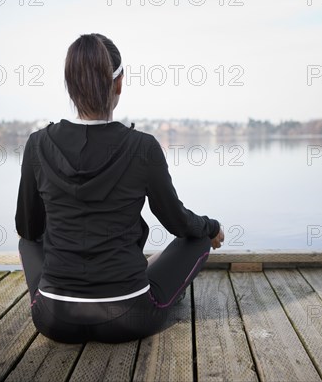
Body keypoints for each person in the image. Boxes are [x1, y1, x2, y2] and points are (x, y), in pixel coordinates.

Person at [15, 33, 224, 344]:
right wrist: (211, 226)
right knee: (199, 239)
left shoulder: (38, 144)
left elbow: (28, 228)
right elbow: (177, 222)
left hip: (54, 318)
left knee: (28, 241)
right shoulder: (143, 147)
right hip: (129, 315)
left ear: (70, 86)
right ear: (119, 84)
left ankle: (62, 290)